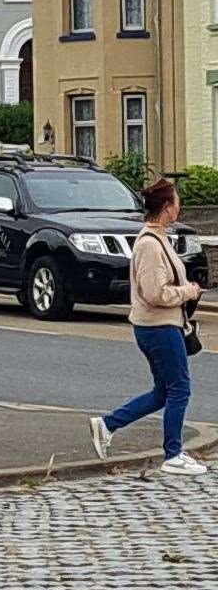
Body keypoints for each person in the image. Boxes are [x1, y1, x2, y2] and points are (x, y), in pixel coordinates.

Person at [90, 178, 205, 475]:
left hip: (159, 326)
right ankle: (173, 454)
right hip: (159, 327)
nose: (179, 206)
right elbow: (155, 292)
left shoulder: (158, 237)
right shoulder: (150, 245)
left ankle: (108, 424)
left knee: (163, 392)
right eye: (176, 201)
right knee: (180, 388)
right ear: (167, 207)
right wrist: (188, 292)